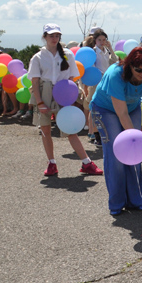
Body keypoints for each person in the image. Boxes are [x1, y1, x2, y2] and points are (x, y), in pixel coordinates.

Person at [90, 47, 142, 213]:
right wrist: (136, 140)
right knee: (116, 154)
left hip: (132, 108)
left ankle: (136, 200)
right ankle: (116, 203)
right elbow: (121, 113)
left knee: (134, 156)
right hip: (104, 109)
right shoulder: (116, 74)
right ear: (129, 66)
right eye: (138, 69)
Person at [29, 24, 102, 177]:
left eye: (57, 36)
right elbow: (35, 82)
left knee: (70, 129)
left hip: (63, 92)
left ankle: (87, 162)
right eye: (51, 36)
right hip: (45, 92)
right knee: (46, 130)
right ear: (45, 37)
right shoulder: (38, 57)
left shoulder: (67, 54)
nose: (54, 38)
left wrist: (71, 94)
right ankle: (51, 163)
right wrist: (40, 102)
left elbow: (71, 77)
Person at [84, 28, 118, 146]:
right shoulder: (93, 52)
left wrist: (111, 49)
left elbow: (114, 62)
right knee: (94, 108)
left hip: (106, 81)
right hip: (96, 82)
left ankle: (101, 133)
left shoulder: (106, 51)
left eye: (104, 39)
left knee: (104, 108)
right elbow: (92, 68)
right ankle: (95, 134)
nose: (102, 42)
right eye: (100, 40)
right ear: (95, 40)